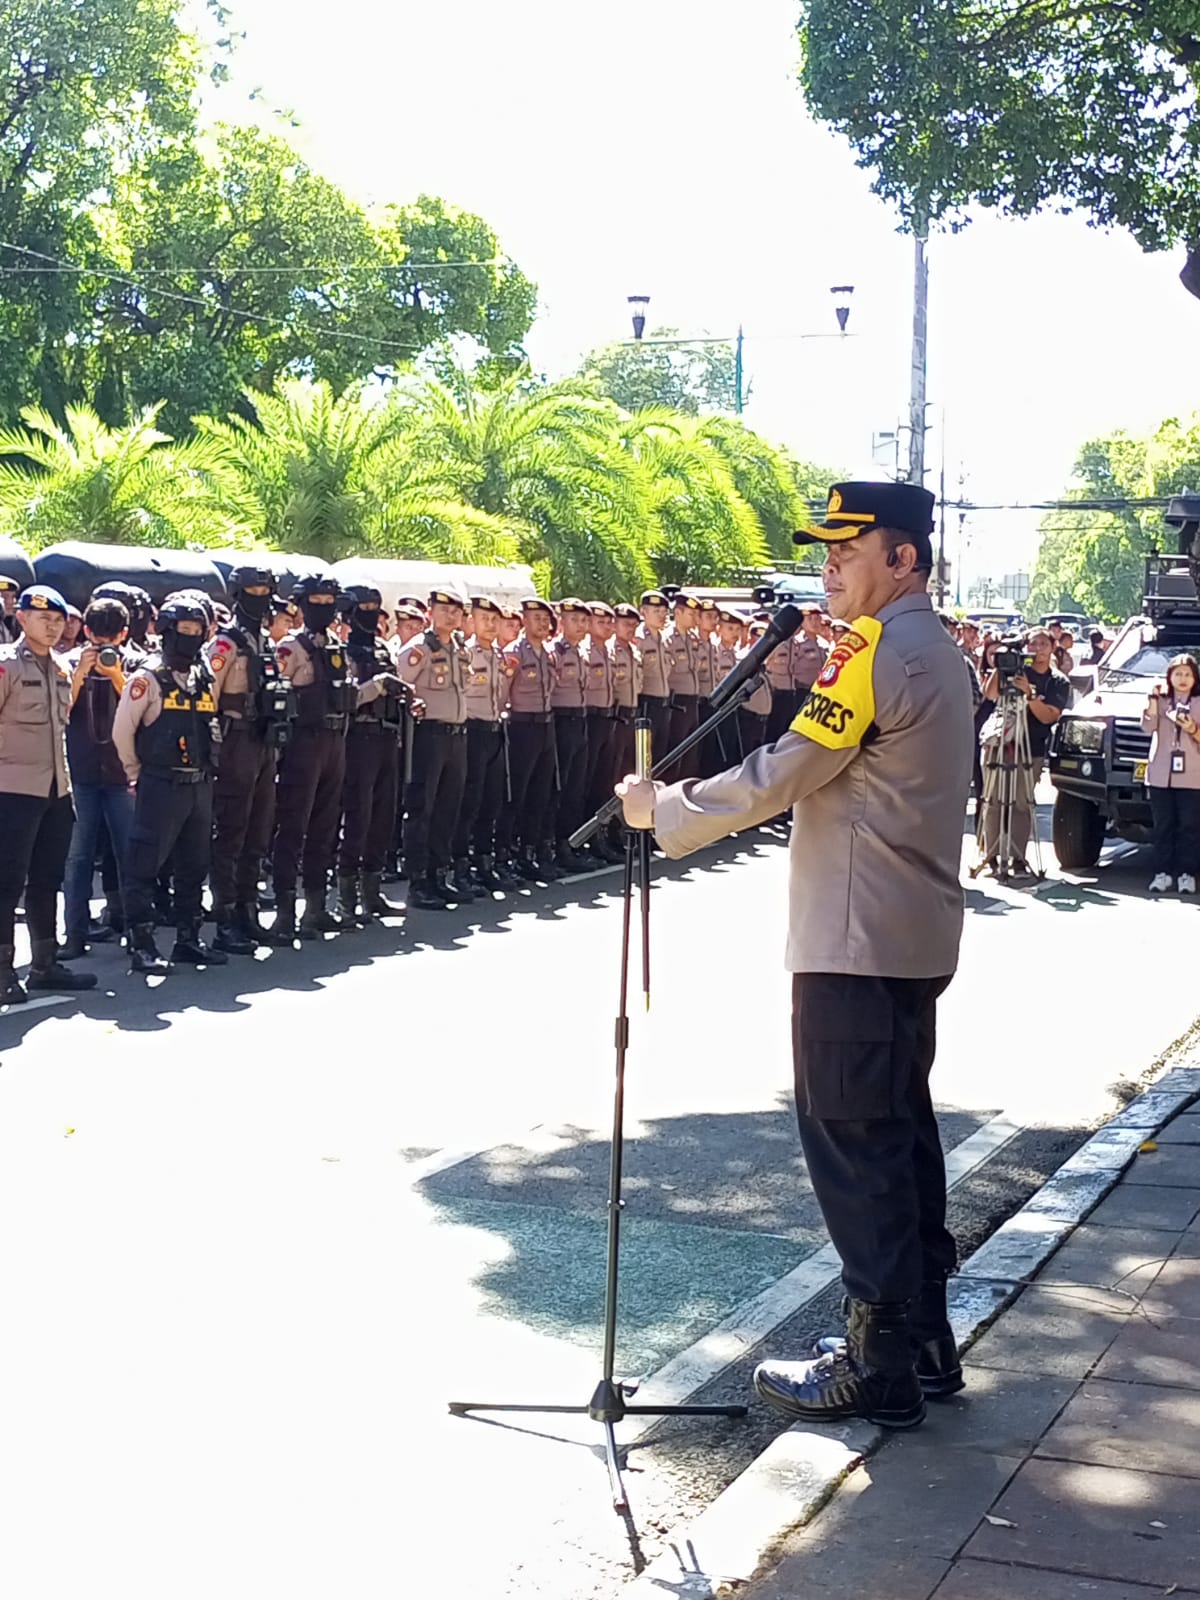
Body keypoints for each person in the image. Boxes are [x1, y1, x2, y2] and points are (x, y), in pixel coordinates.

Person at [618, 482, 973, 1430]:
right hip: (910, 931)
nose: (828, 571)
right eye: (824, 555)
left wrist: (669, 811)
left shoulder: (876, 654)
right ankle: (923, 1341)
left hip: (853, 938)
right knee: (898, 1133)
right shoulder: (937, 648)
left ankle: (878, 1363)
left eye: (846, 553)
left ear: (903, 560)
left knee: (853, 1142)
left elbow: (787, 771)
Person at [114, 595, 226, 975]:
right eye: (185, 631)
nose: (192, 638)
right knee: (144, 866)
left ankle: (188, 940)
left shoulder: (202, 676)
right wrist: (135, 772)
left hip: (199, 785)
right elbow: (122, 732)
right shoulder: (148, 679)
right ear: (166, 632)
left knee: (194, 866)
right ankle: (142, 946)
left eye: (198, 631)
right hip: (161, 784)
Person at [0, 586, 98, 1002]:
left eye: (59, 620)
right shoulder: (5, 665)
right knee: (5, 883)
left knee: (47, 879)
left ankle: (44, 964)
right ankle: (3, 969)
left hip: (57, 789)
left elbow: (62, 725)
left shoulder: (60, 668)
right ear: (21, 619)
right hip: (12, 789)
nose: (53, 626)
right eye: (44, 619)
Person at [206, 565, 289, 954]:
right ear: (238, 593)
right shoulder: (224, 645)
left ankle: (248, 909)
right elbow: (208, 700)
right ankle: (224, 918)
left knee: (259, 831)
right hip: (236, 742)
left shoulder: (266, 643)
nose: (261, 598)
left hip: (264, 742)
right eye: (253, 590)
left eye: (265, 590)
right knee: (231, 832)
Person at [270, 575, 356, 942]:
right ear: (302, 606)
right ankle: (285, 911)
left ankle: (316, 907)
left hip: (335, 742)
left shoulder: (337, 644)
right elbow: (275, 692)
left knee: (325, 826)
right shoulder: (291, 646)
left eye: (328, 601)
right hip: (302, 744)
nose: (323, 607)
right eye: (315, 601)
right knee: (292, 826)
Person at [60, 596, 137, 960]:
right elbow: (60, 711)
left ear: (124, 634)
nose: (105, 644)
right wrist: (79, 675)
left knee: (130, 854)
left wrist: (116, 675)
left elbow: (141, 712)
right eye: (98, 636)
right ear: (87, 632)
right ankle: (74, 935)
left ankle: (137, 931)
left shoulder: (135, 663)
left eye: (113, 637)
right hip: (82, 774)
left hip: (122, 776)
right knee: (77, 858)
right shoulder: (69, 663)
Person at [394, 588, 471, 908]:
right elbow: (400, 685)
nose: (451, 616)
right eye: (444, 610)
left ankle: (438, 874)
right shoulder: (419, 649)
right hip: (429, 735)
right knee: (422, 808)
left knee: (447, 808)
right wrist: (413, 703)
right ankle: (418, 880)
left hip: (456, 735)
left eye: (456, 611)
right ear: (430, 612)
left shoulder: (458, 647)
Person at [336, 585, 407, 922]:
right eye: (362, 609)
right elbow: (348, 698)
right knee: (358, 816)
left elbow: (394, 686)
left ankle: (372, 890)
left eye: (374, 608)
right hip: (358, 739)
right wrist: (377, 686)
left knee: (383, 816)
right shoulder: (343, 652)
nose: (370, 615)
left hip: (386, 736)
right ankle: (347, 897)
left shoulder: (382, 649)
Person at [977, 628, 1070, 873]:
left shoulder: (1058, 681)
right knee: (993, 798)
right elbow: (990, 694)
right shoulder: (1016, 668)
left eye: (1043, 644)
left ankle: (1018, 856)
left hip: (1032, 747)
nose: (1037, 649)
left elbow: (1049, 716)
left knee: (1021, 802)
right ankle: (992, 855)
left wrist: (1029, 694)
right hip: (1001, 741)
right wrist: (1002, 665)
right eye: (1032, 644)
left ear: (1052, 648)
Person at [496, 597, 560, 884]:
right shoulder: (513, 653)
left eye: (546, 619)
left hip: (545, 727)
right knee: (515, 795)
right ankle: (503, 856)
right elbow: (501, 694)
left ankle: (528, 853)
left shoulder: (549, 653)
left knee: (540, 794)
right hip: (521, 728)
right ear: (524, 620)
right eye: (536, 618)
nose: (543, 623)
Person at [454, 595, 515, 891]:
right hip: (472, 731)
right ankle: (460, 866)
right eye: (484, 619)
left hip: (494, 730)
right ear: (471, 621)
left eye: (494, 620)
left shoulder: (499, 655)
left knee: (492, 800)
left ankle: (483, 861)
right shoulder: (465, 654)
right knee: (469, 801)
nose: (490, 625)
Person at [1142, 653, 1200, 894]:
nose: (1183, 679)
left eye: (1187, 674)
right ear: (1170, 677)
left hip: (1192, 775)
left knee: (1188, 826)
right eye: (1178, 674)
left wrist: (1192, 728)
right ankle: (1162, 873)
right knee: (1163, 826)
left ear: (1195, 678)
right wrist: (1153, 700)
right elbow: (1147, 728)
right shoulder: (1162, 699)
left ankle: (1187, 874)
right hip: (1159, 773)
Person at [549, 597, 592, 871]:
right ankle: (555, 845)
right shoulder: (556, 652)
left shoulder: (581, 652)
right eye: (574, 619)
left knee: (577, 787)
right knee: (560, 787)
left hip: (581, 720)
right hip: (561, 721)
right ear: (561, 622)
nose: (580, 625)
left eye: (582, 620)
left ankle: (570, 844)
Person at [580, 601, 623, 864]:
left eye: (609, 622)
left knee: (604, 784)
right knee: (584, 784)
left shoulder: (610, 652)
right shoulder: (583, 651)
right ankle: (580, 840)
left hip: (609, 719)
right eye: (601, 622)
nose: (606, 627)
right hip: (589, 719)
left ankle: (600, 837)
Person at [664, 591, 705, 778]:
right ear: (678, 613)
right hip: (677, 702)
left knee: (691, 753)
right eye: (691, 614)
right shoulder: (667, 640)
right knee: (675, 750)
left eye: (697, 614)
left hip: (692, 701)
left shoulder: (693, 640)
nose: (695, 618)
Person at [635, 589, 672, 754]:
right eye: (656, 611)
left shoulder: (665, 639)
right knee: (645, 753)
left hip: (664, 704)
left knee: (661, 751)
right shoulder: (638, 639)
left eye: (664, 611)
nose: (662, 615)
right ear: (643, 612)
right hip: (646, 704)